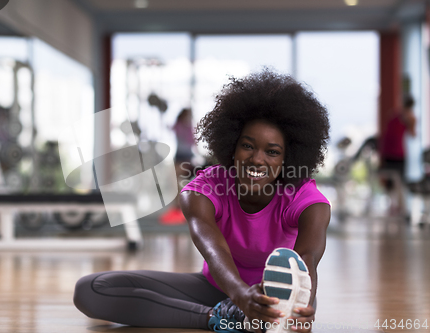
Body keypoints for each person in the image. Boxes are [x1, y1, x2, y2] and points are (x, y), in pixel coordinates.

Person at [73, 70, 331, 333]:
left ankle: (245, 317)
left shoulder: (305, 198)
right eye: (248, 146)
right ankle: (219, 318)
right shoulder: (202, 190)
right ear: (232, 146)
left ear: (288, 158)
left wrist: (301, 307)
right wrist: (241, 297)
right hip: (217, 289)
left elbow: (306, 259)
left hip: (275, 297)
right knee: (91, 290)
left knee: (282, 309)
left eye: (272, 152)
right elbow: (213, 250)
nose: (257, 159)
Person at [379, 95, 416, 214]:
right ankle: (394, 207)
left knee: (398, 182)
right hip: (392, 153)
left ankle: (399, 208)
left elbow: (412, 134)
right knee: (393, 182)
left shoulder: (405, 117)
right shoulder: (396, 116)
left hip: (396, 154)